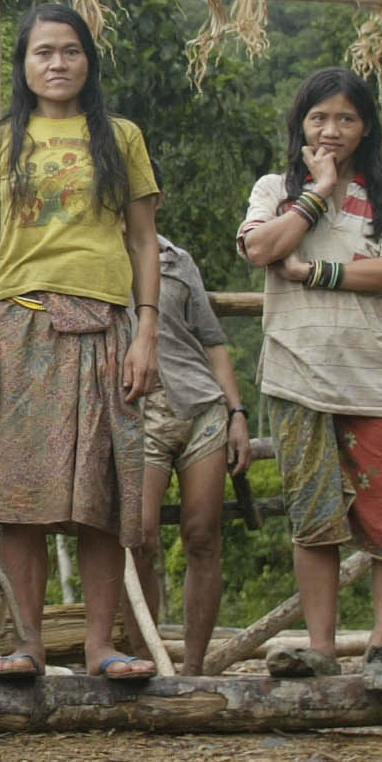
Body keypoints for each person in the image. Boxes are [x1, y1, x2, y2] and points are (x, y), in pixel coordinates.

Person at [0, 2, 162, 683]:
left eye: (70, 51)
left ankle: (103, 646)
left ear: (88, 61)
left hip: (107, 327)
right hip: (19, 323)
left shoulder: (121, 136)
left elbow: (142, 241)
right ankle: (28, 645)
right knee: (21, 498)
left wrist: (147, 333)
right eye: (43, 52)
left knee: (100, 498)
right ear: (24, 65)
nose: (57, 63)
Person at [236, 67, 382, 690]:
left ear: (365, 126)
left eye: (345, 118)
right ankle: (321, 648)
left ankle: (381, 647)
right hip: (297, 373)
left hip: (380, 378)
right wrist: (318, 192)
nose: (332, 129)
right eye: (319, 118)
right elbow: (262, 250)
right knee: (313, 515)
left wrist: (317, 274)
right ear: (300, 125)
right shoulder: (273, 189)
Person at [128, 235, 251, 672]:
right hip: (137, 410)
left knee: (202, 536)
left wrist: (237, 411)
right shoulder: (96, 251)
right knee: (138, 537)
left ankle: (194, 668)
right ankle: (145, 660)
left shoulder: (178, 260)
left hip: (199, 405)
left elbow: (212, 339)